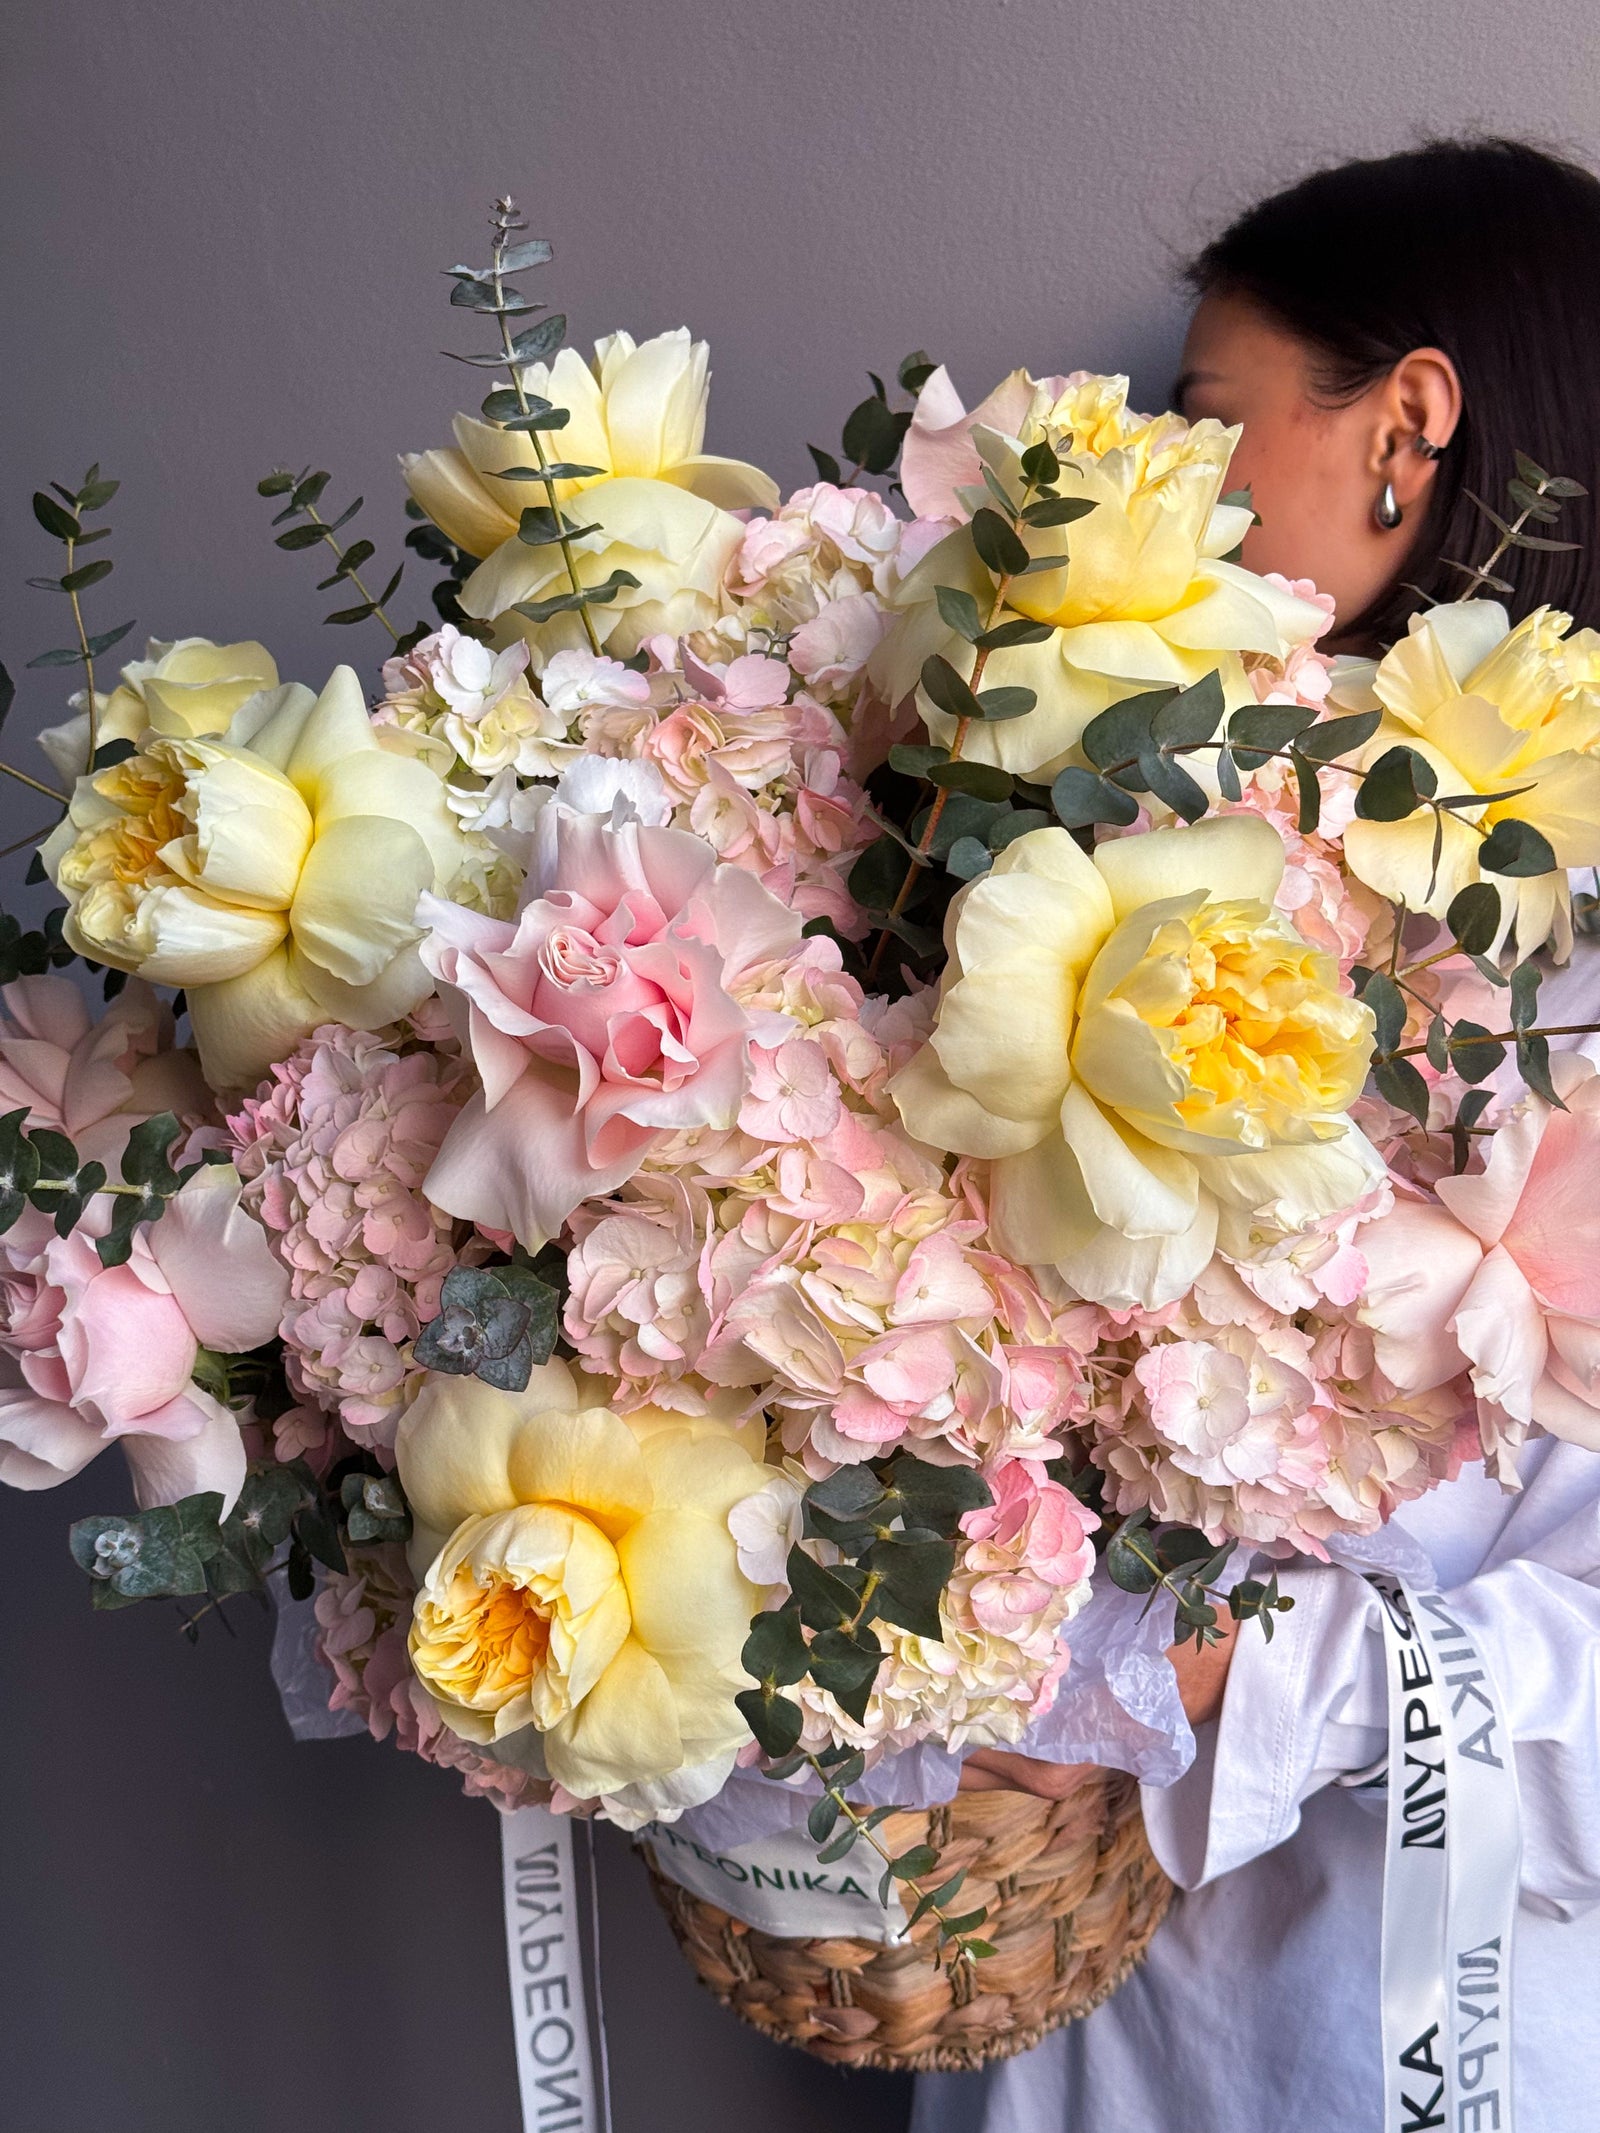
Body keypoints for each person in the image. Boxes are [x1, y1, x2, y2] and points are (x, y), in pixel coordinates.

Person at [913, 137, 1600, 2133]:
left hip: (1409, 2038)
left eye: (1205, 418)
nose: (1164, 482)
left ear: (1405, 424)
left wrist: (1216, 1670)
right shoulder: (1112, 886)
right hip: (1044, 2000)